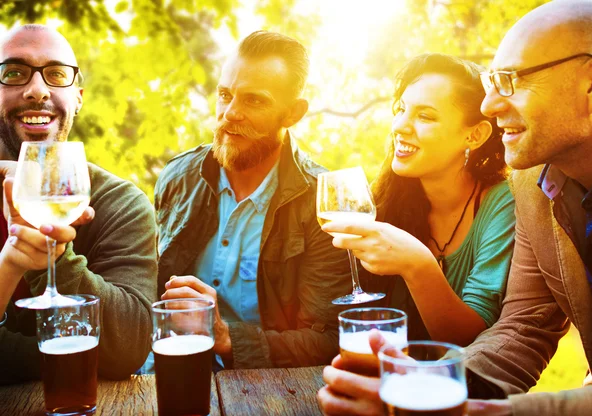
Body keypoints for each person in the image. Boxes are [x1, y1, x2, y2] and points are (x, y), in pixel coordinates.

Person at [319, 0, 592, 416]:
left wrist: (477, 415)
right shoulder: (533, 187)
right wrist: (426, 392)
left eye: (510, 80)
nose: (488, 104)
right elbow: (522, 330)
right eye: (490, 83)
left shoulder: (502, 199)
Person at [155, 30, 351, 369]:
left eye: (254, 100)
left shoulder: (322, 201)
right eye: (225, 95)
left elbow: (330, 339)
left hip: (271, 392)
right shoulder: (177, 177)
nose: (230, 113)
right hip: (175, 369)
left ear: (293, 113)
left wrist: (227, 338)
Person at [321, 53, 514, 347]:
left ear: (474, 135)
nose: (399, 126)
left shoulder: (500, 204)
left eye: (424, 116)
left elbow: (471, 341)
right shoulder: (389, 197)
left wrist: (418, 265)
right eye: (401, 109)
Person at [0, 24, 157, 384]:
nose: (37, 90)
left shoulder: (121, 203)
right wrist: (71, 354)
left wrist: (52, 258)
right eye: (14, 73)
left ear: (78, 98)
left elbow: (127, 348)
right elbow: (101, 354)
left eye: (56, 74)